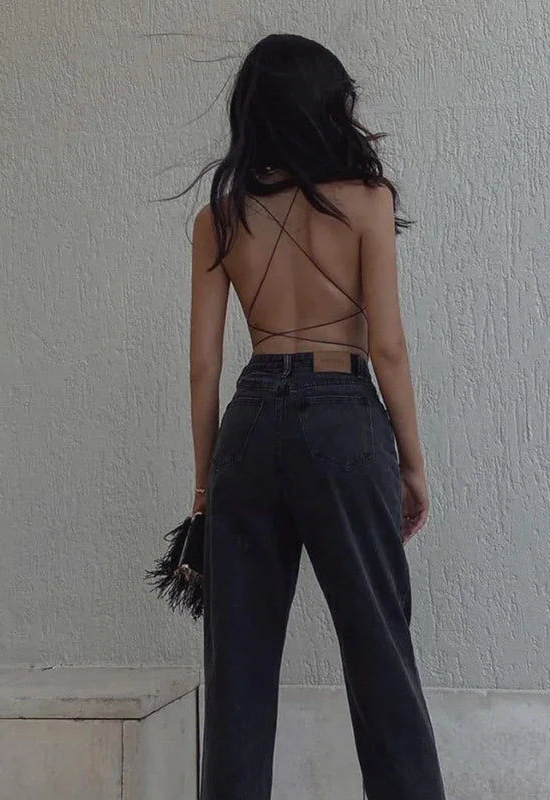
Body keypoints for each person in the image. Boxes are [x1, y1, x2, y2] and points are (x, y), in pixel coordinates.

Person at [176, 32, 446, 800]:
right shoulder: (367, 201)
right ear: (329, 106)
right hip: (343, 420)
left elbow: (203, 367)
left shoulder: (219, 219)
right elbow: (387, 346)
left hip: (250, 423)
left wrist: (204, 487)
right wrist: (413, 463)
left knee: (238, 671)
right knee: (379, 653)